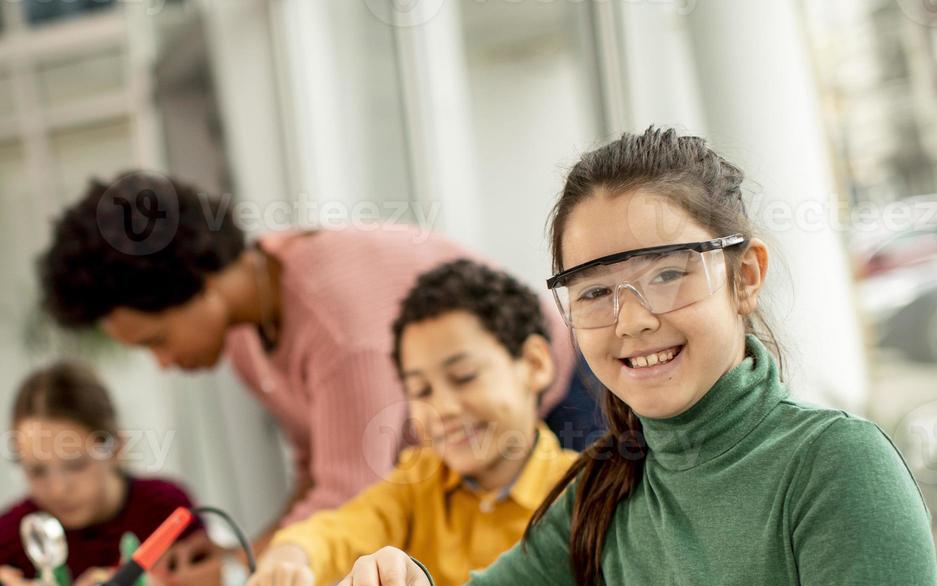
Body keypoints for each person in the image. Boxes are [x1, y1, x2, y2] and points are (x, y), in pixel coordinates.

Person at [309, 127, 937, 586]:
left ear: (745, 277)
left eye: (669, 273)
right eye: (596, 291)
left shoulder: (839, 466)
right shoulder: (612, 484)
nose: (633, 320)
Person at [38, 173, 592, 541]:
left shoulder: (335, 325)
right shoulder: (247, 321)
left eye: (157, 339)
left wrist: (250, 568)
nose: (161, 362)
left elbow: (354, 493)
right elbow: (320, 472)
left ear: (198, 282)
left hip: (560, 405)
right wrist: (244, 559)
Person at [247, 259, 620, 586]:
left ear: (534, 364)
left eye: (464, 378)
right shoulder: (419, 479)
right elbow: (344, 527)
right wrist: (292, 554)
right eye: (422, 391)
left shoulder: (584, 496)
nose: (443, 407)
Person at [0, 360, 218, 586]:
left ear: (116, 447)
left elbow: (219, 577)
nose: (58, 489)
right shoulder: (11, 536)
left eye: (76, 465)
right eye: (37, 471)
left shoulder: (165, 509)